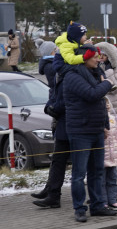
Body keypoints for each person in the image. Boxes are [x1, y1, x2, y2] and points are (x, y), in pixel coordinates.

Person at [33, 22, 89, 209]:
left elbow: (69, 93)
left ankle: (91, 199)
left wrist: (55, 108)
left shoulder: (73, 65)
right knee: (60, 159)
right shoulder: (66, 63)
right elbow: (58, 91)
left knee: (78, 162)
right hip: (66, 118)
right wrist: (53, 106)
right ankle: (53, 193)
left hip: (71, 118)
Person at [61, 44, 114, 222]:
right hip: (80, 131)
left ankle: (98, 206)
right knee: (79, 173)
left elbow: (101, 102)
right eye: (94, 57)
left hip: (97, 129)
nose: (98, 59)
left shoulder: (95, 73)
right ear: (84, 58)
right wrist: (107, 83)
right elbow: (92, 95)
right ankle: (79, 208)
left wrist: (105, 125)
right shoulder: (72, 76)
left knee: (97, 170)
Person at [96, 42, 117, 210]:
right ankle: (100, 195)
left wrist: (107, 73)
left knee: (115, 155)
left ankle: (116, 193)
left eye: (104, 55)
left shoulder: (116, 69)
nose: (100, 57)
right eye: (99, 54)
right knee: (103, 160)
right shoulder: (94, 67)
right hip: (102, 112)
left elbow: (116, 88)